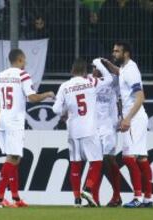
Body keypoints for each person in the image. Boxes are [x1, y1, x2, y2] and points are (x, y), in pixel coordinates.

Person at [0, 49, 55, 208]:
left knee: (14, 158)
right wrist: (48, 94)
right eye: (24, 60)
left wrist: (2, 105)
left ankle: (16, 198)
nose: (25, 63)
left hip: (2, 120)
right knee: (12, 158)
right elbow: (32, 97)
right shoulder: (23, 75)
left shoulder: (0, 75)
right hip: (14, 121)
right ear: (19, 60)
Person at [52, 58, 112, 207]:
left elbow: (56, 110)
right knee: (96, 161)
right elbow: (109, 79)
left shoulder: (65, 86)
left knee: (75, 164)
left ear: (72, 70)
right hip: (89, 129)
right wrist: (98, 64)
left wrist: (66, 110)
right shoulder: (91, 82)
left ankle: (77, 199)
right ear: (85, 71)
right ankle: (88, 188)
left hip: (73, 130)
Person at [102, 41, 153, 208]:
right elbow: (121, 73)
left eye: (117, 51)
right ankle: (147, 199)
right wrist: (109, 66)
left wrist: (127, 118)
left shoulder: (130, 70)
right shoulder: (126, 69)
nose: (114, 53)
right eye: (113, 51)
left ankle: (137, 197)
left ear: (126, 53)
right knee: (141, 158)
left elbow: (140, 97)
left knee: (128, 157)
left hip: (135, 118)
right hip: (137, 117)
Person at [83, 61, 123, 207]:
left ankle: (117, 196)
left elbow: (120, 98)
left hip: (109, 127)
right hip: (94, 127)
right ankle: (95, 198)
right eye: (92, 67)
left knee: (108, 160)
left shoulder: (113, 80)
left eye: (96, 67)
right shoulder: (88, 80)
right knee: (96, 161)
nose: (93, 70)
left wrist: (121, 117)